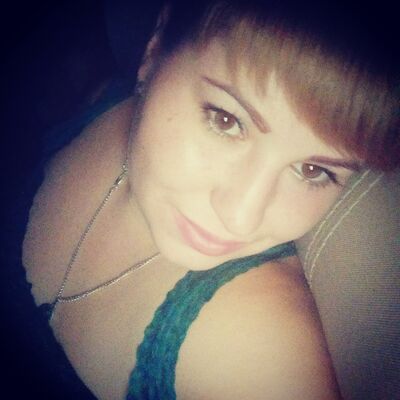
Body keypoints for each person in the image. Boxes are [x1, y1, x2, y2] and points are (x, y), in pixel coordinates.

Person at [7, 0, 399, 399]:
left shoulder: (257, 363)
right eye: (226, 120)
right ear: (155, 48)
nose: (241, 217)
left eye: (313, 171)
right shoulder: (105, 102)